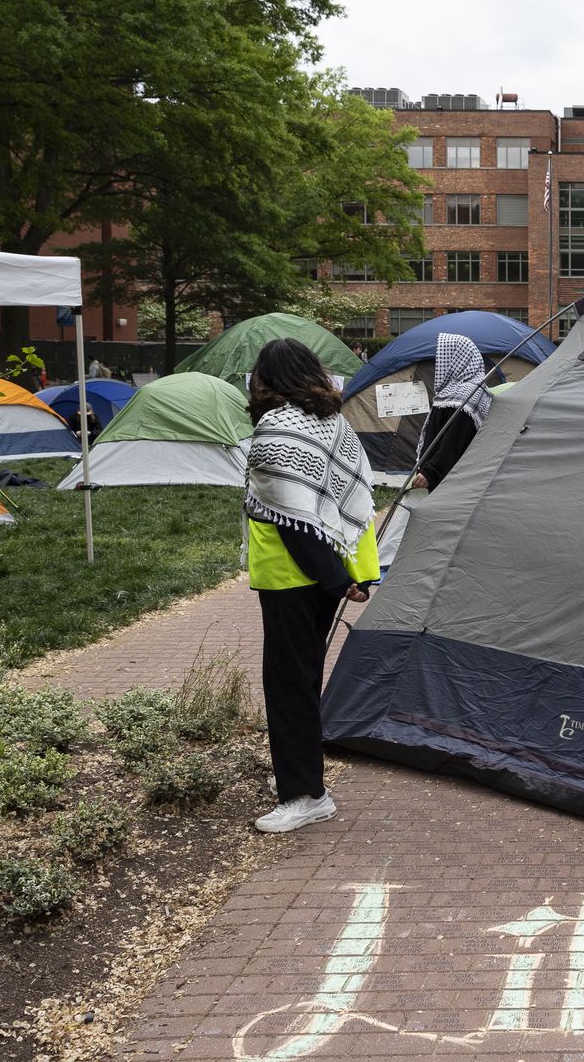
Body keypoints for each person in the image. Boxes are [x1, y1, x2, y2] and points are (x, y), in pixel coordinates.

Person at [244, 338, 379, 834]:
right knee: (303, 679)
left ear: (267, 378)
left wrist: (337, 581)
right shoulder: (331, 422)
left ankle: (305, 794)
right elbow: (352, 493)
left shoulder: (276, 429)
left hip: (292, 576)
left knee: (288, 686)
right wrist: (346, 577)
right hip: (325, 572)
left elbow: (293, 520)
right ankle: (304, 780)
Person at [411, 332, 495, 490]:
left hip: (449, 481)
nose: (439, 363)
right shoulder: (454, 390)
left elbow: (454, 441)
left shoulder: (468, 393)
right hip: (442, 477)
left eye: (443, 357)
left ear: (457, 358)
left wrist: (430, 473)